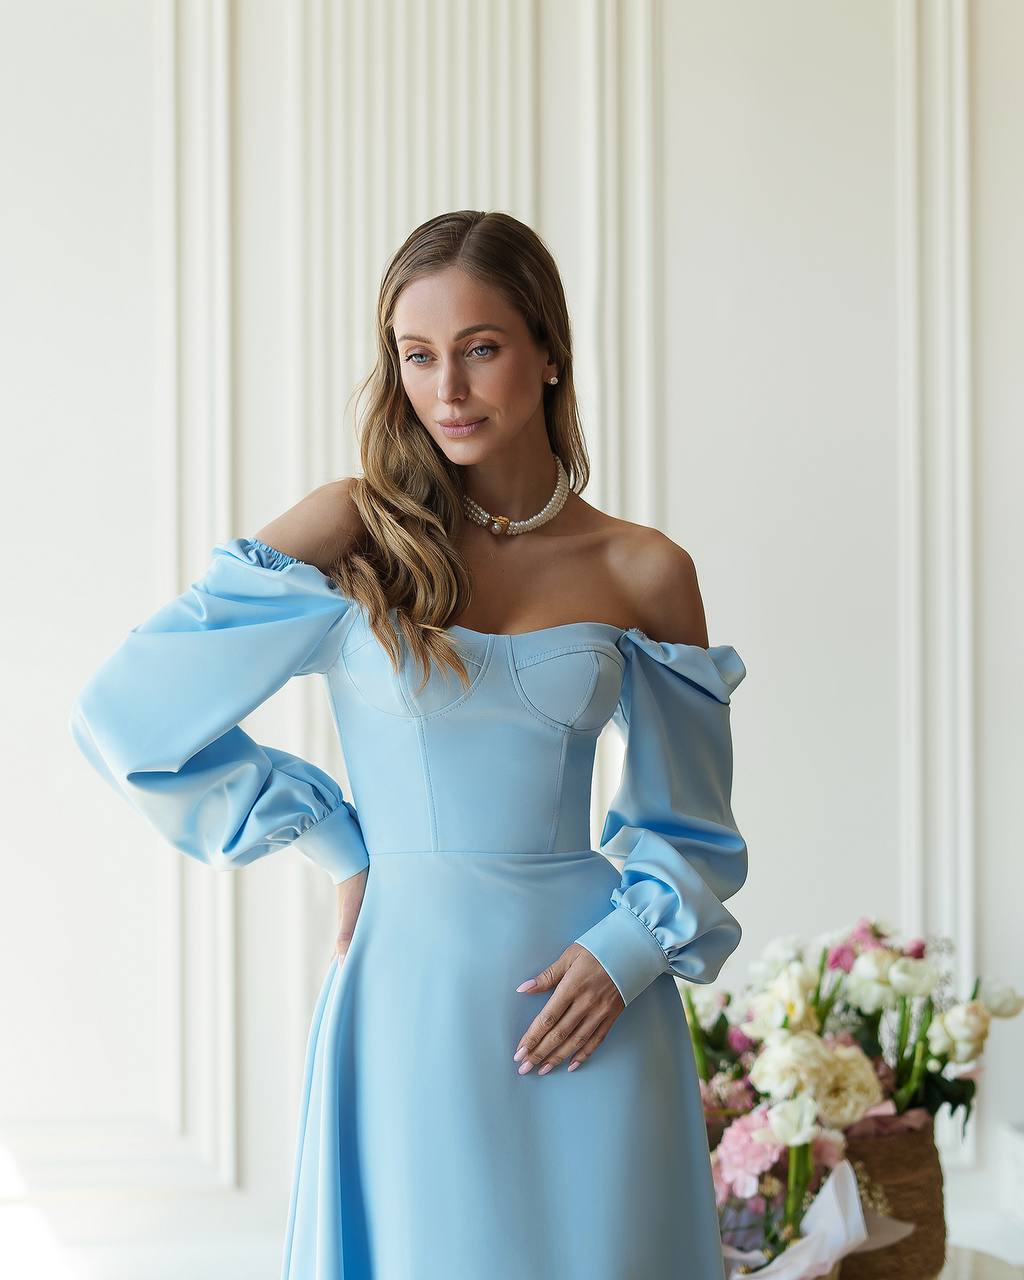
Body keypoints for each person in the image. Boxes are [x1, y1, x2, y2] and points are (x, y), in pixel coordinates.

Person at [69, 210, 749, 1279]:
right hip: (409, 987)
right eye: (417, 355)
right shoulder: (352, 531)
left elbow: (692, 826)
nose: (449, 390)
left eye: (480, 348)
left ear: (549, 352)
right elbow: (130, 714)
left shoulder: (643, 568)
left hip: (594, 1000)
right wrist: (336, 840)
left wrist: (625, 954)